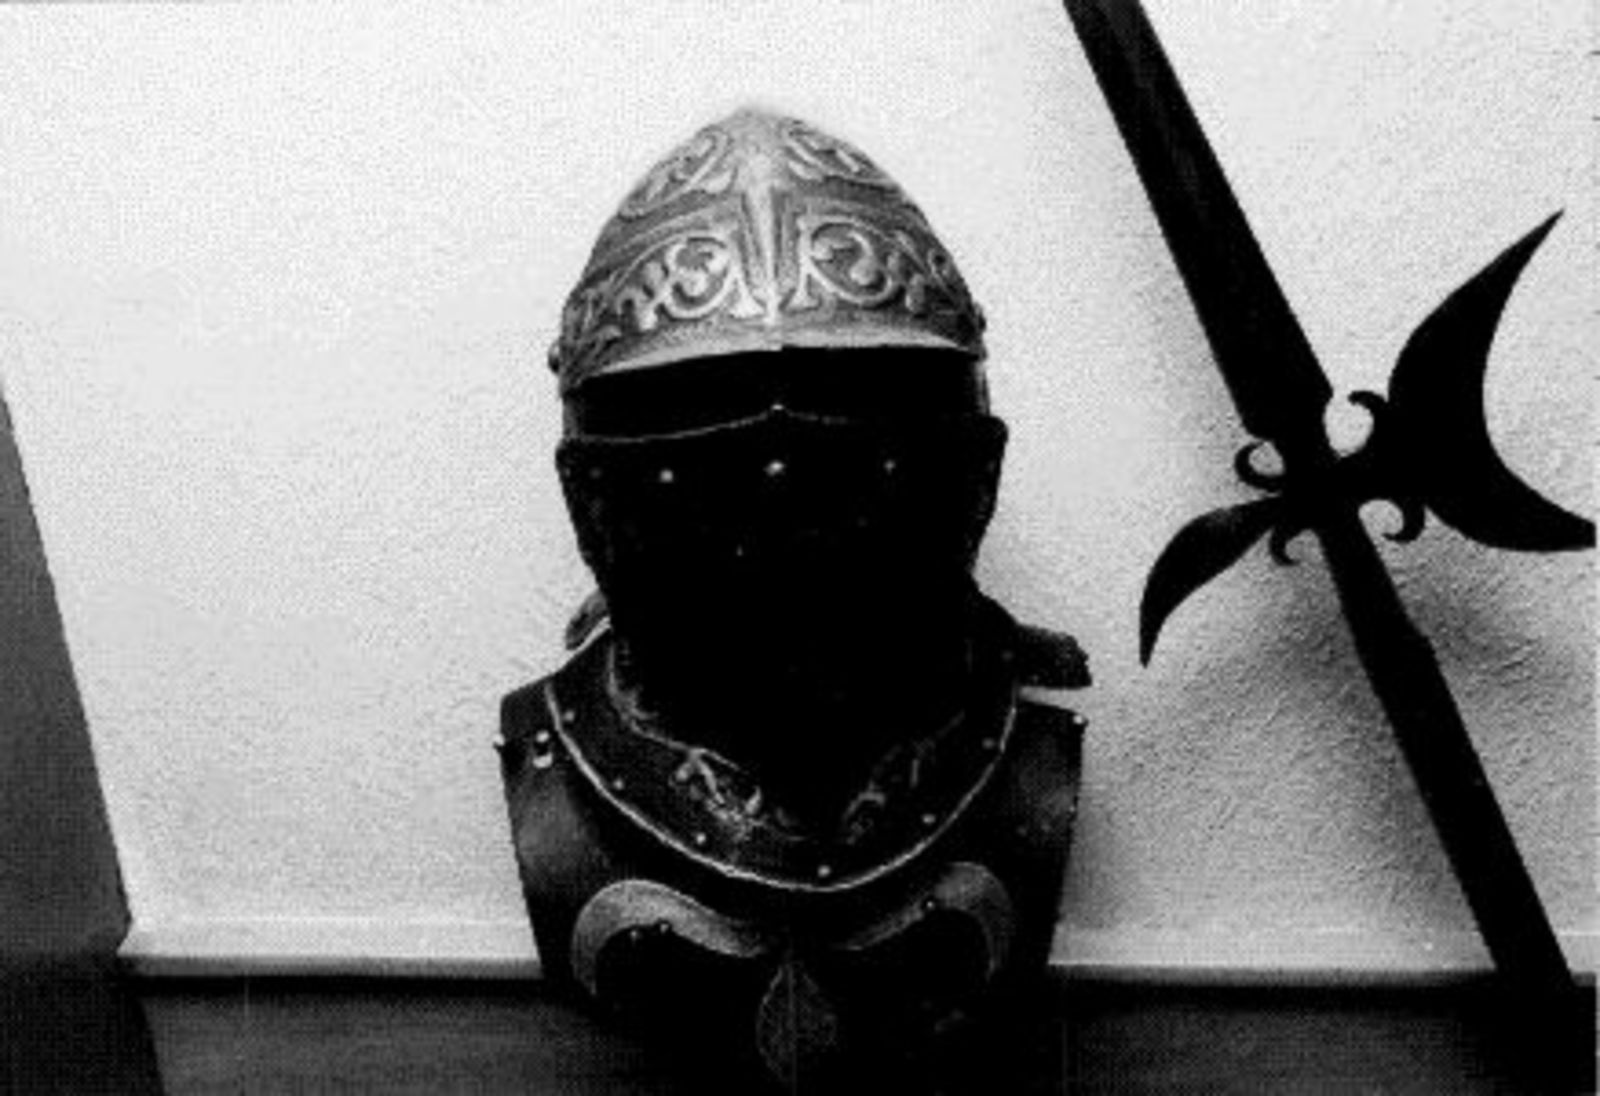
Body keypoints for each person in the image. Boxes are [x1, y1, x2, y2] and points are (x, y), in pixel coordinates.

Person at [499, 107, 1089, 1091]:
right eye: (704, 414)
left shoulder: (1020, 758)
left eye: (856, 401)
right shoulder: (552, 760)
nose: (780, 497)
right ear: (601, 479)